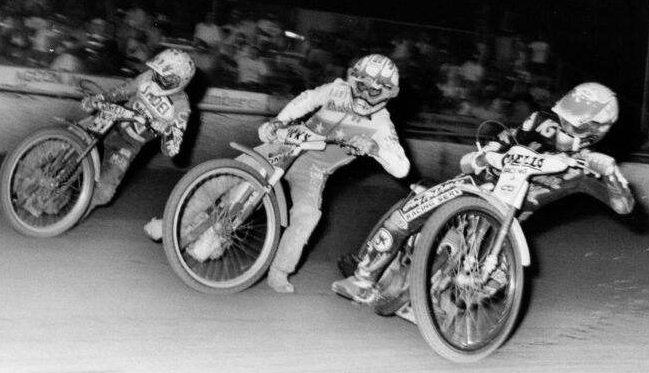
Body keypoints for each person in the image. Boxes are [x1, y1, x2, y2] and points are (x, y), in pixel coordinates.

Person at [332, 82, 636, 303]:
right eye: (564, 118)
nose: (563, 127)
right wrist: (484, 155)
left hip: (505, 226)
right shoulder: (540, 121)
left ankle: (443, 301)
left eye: (572, 124)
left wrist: (611, 175)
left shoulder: (588, 168)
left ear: (595, 130)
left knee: (481, 290)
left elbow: (623, 206)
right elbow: (501, 141)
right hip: (476, 184)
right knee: (408, 212)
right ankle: (364, 275)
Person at [144, 54, 411, 294]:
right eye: (361, 86)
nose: (364, 95)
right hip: (288, 143)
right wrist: (280, 121)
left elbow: (402, 168)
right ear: (354, 81)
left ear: (387, 93)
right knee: (222, 178)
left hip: (313, 169)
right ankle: (171, 224)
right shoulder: (337, 89)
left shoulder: (382, 125)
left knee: (308, 214)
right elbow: (307, 99)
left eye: (374, 91)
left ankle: (279, 271)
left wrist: (375, 148)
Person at [82, 48, 195, 210]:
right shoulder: (148, 76)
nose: (157, 79)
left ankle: (73, 214)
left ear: (179, 81)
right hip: (111, 121)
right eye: (157, 73)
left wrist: (166, 131)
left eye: (164, 78)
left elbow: (171, 149)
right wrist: (101, 98)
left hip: (128, 145)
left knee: (104, 191)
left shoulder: (182, 108)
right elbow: (124, 90)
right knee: (72, 139)